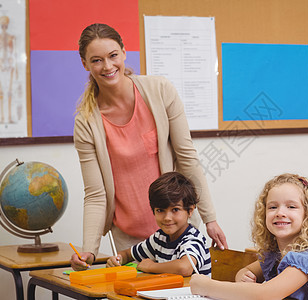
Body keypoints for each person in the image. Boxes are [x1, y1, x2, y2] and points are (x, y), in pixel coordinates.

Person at [71, 23, 227, 271]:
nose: (108, 66)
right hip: (131, 239)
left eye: (113, 56)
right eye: (97, 60)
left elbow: (187, 159)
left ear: (124, 52)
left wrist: (210, 219)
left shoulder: (160, 91)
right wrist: (89, 249)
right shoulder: (86, 122)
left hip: (178, 227)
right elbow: (96, 194)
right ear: (85, 64)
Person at [190, 173, 308, 300]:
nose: (280, 212)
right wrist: (244, 277)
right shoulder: (275, 255)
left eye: (291, 206)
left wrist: (206, 286)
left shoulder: (307, 258)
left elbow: (266, 295)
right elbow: (244, 271)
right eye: (273, 207)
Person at [106, 172, 211, 276]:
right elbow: (129, 254)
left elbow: (184, 267)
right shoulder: (159, 238)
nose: (167, 218)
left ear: (190, 210)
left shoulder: (193, 239)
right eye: (160, 210)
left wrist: (151, 266)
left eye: (175, 209)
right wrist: (118, 259)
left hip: (192, 293)